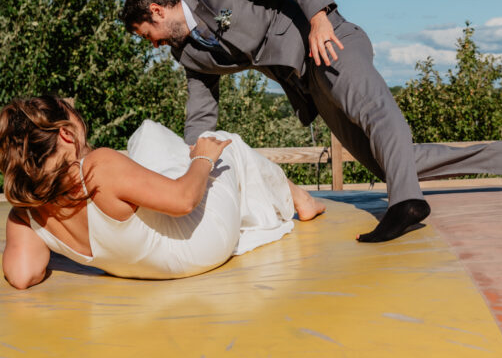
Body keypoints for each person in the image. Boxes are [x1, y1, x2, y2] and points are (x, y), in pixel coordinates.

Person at [121, 0, 502, 244]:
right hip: (307, 81)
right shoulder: (188, 55)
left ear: (157, 11)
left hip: (330, 41)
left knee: (375, 109)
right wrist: (192, 161)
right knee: (386, 159)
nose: (152, 45)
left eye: (146, 35)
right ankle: (500, 158)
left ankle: (407, 203)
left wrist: (319, 18)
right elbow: (201, 116)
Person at [0, 96, 324, 290]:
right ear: (66, 134)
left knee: (152, 143)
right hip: (200, 247)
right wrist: (203, 158)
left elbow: (22, 274)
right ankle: (300, 199)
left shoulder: (27, 213)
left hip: (143, 270)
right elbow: (183, 200)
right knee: (222, 141)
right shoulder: (97, 167)